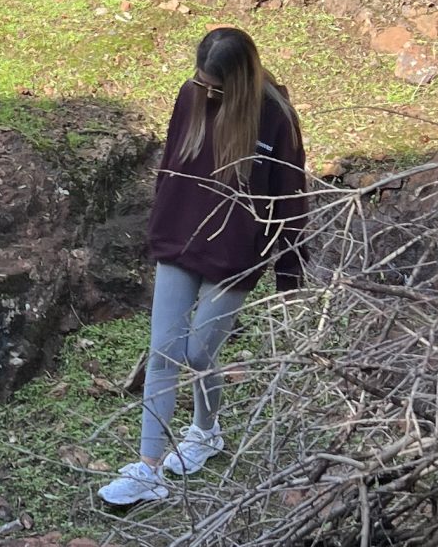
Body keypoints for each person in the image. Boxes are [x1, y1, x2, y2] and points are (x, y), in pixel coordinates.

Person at [99, 27, 309, 510]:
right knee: (163, 353)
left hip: (234, 255)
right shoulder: (191, 95)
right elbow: (171, 166)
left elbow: (291, 199)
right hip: (179, 240)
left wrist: (289, 276)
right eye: (202, 83)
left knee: (197, 354)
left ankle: (206, 431)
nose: (206, 93)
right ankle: (149, 470)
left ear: (238, 80)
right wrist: (159, 227)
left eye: (215, 87)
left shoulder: (276, 117)